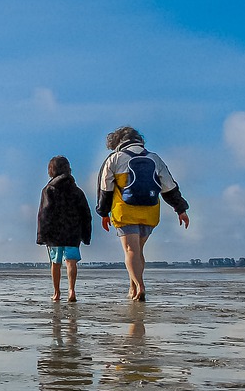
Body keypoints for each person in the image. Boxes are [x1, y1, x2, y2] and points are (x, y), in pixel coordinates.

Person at [95, 126, 190, 301]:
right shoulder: (154, 158)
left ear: (117, 142)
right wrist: (181, 209)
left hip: (125, 211)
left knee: (130, 250)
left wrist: (103, 212)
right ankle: (132, 287)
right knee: (138, 252)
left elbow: (105, 190)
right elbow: (169, 187)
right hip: (150, 212)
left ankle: (140, 286)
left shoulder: (114, 159)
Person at [37, 155, 93, 302]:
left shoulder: (48, 189)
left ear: (51, 170)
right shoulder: (77, 191)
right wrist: (86, 234)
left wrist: (42, 235)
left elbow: (44, 213)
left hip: (55, 233)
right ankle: (72, 291)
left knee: (55, 263)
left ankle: (56, 293)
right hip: (73, 231)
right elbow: (86, 214)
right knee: (71, 261)